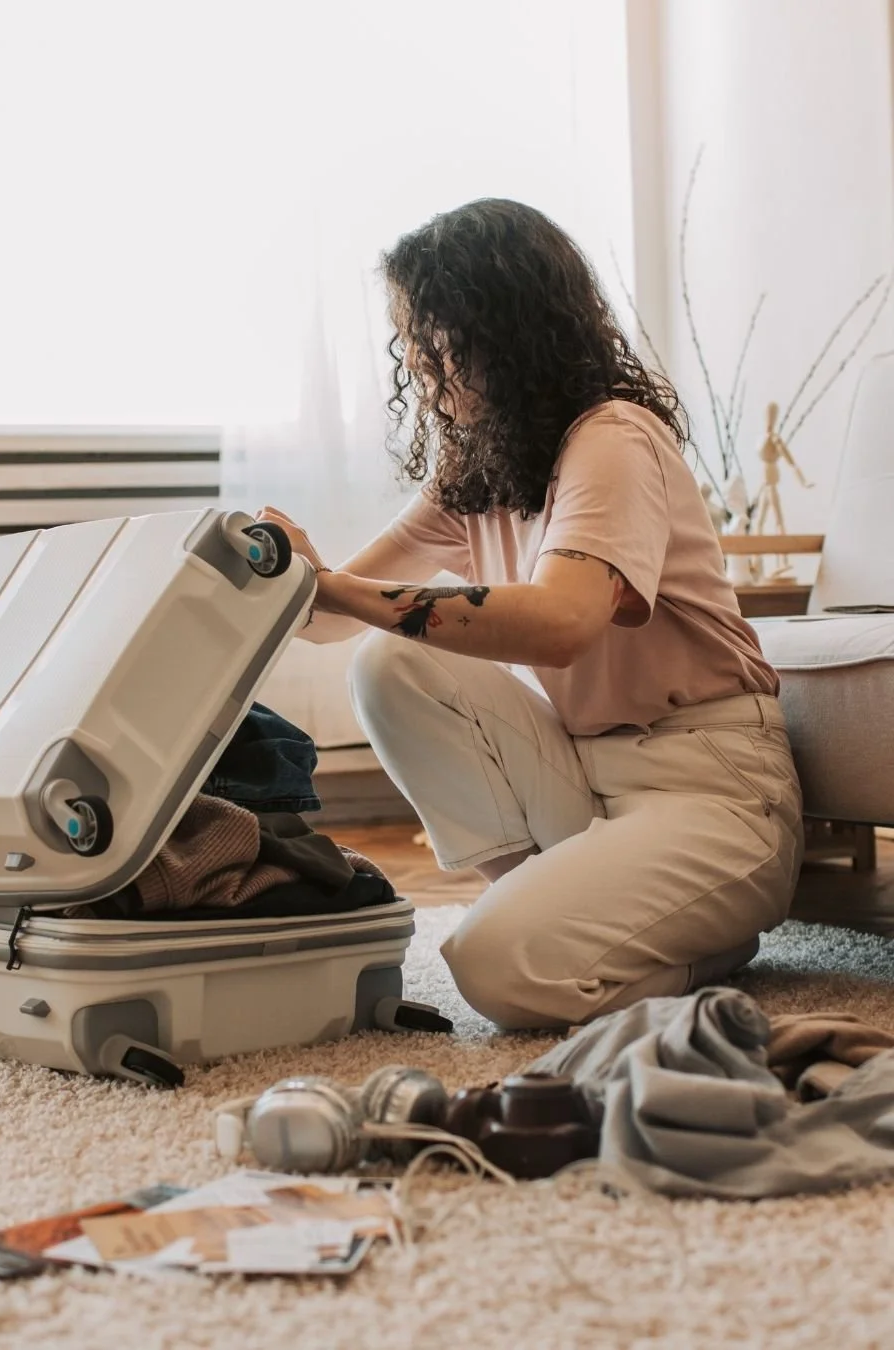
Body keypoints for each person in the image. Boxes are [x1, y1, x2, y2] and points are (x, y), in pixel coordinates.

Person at [256, 199, 804, 1030]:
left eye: (432, 339)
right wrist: (276, 573)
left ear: (501, 331)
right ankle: (555, 907)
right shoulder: (477, 475)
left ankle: (693, 949)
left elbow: (563, 621)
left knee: (497, 970)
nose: (418, 364)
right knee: (389, 659)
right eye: (409, 341)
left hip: (711, 785)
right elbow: (333, 618)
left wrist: (335, 589)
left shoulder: (615, 437)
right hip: (583, 776)